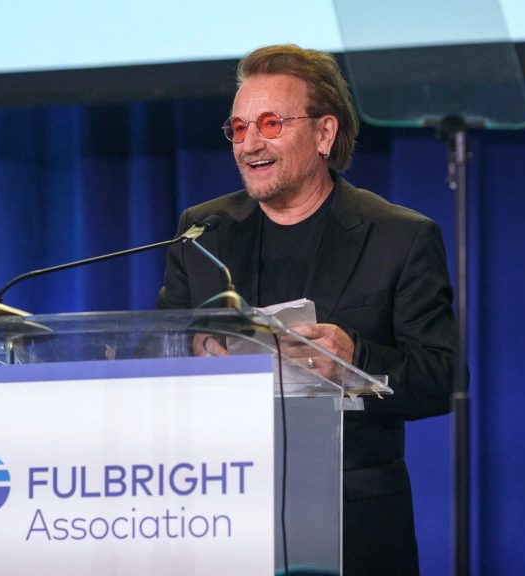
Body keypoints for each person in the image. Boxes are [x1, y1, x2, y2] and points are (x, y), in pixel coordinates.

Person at [156, 44, 457, 575]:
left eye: (271, 124)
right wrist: (194, 349)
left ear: (324, 133)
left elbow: (440, 377)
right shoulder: (203, 231)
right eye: (239, 127)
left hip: (351, 523)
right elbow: (161, 350)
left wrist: (354, 357)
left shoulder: (400, 237)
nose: (250, 144)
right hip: (220, 513)